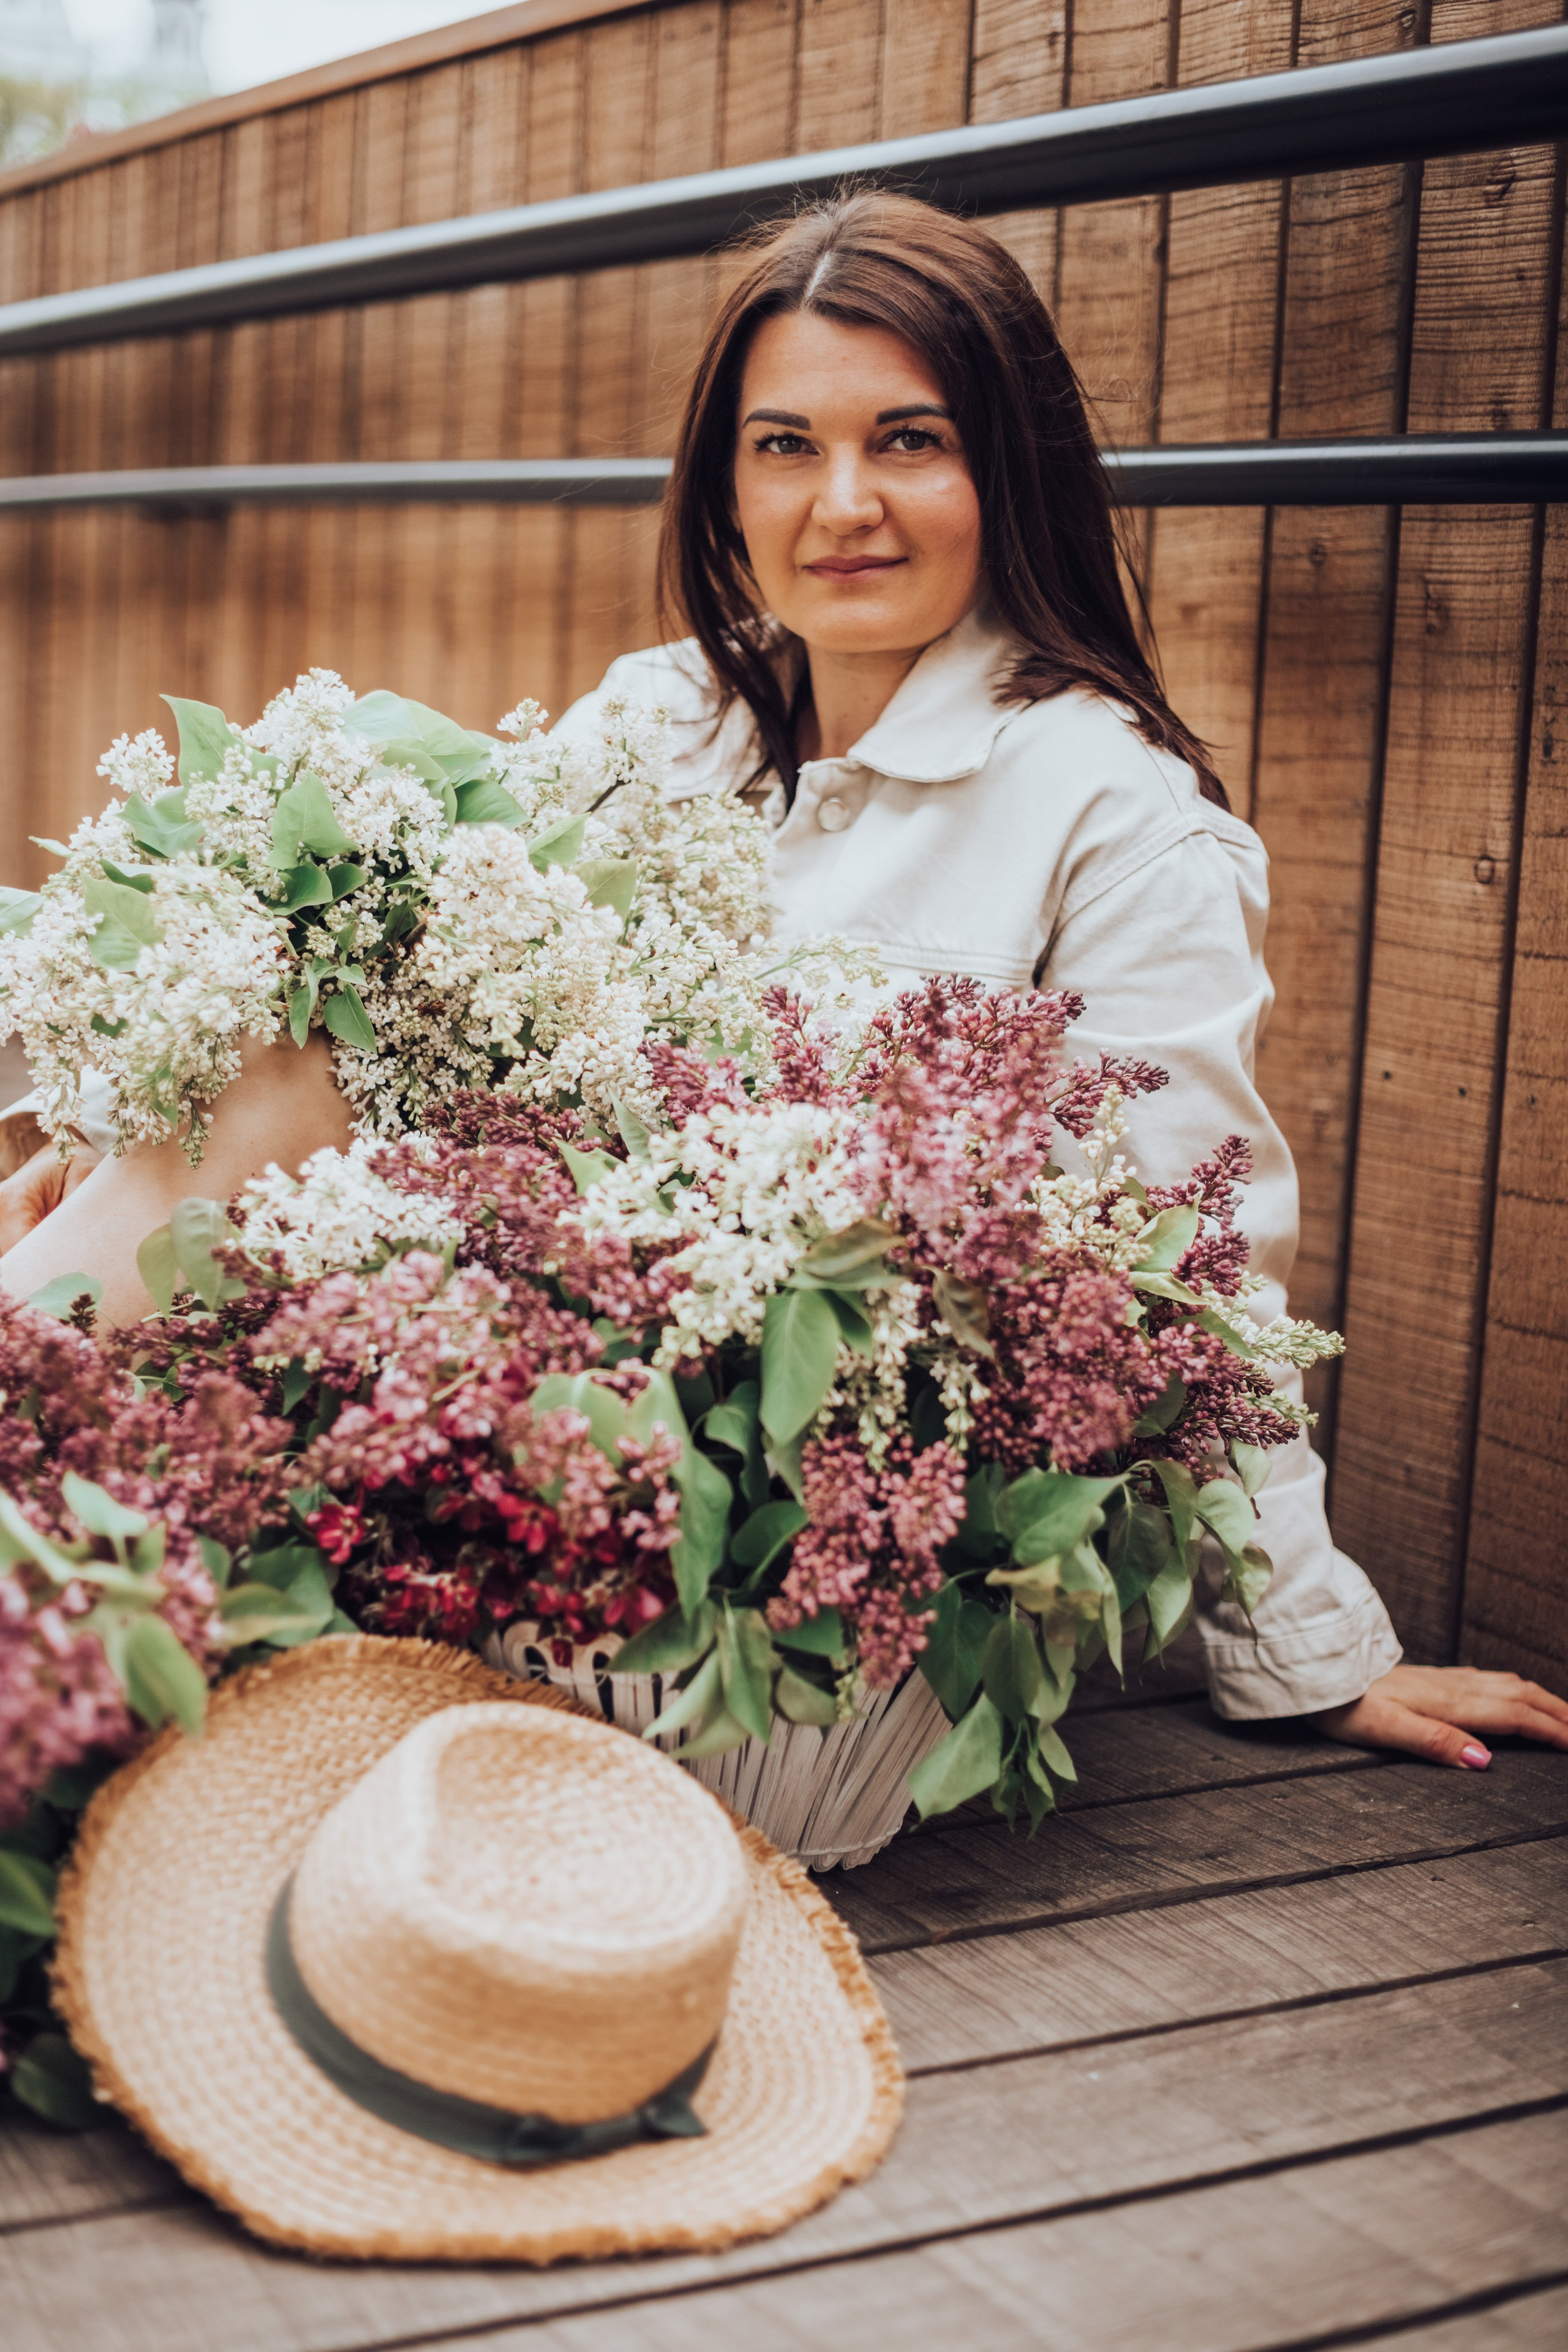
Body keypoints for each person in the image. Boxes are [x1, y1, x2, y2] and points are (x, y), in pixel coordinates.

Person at [549, 191, 1568, 1770]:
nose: (841, 505)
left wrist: (1298, 1644)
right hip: (561, 1431)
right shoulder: (649, 720)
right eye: (784, 445)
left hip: (836, 1544)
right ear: (724, 482)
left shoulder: (1113, 811)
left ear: (1007, 467)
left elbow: (1193, 1258)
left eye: (909, 440)